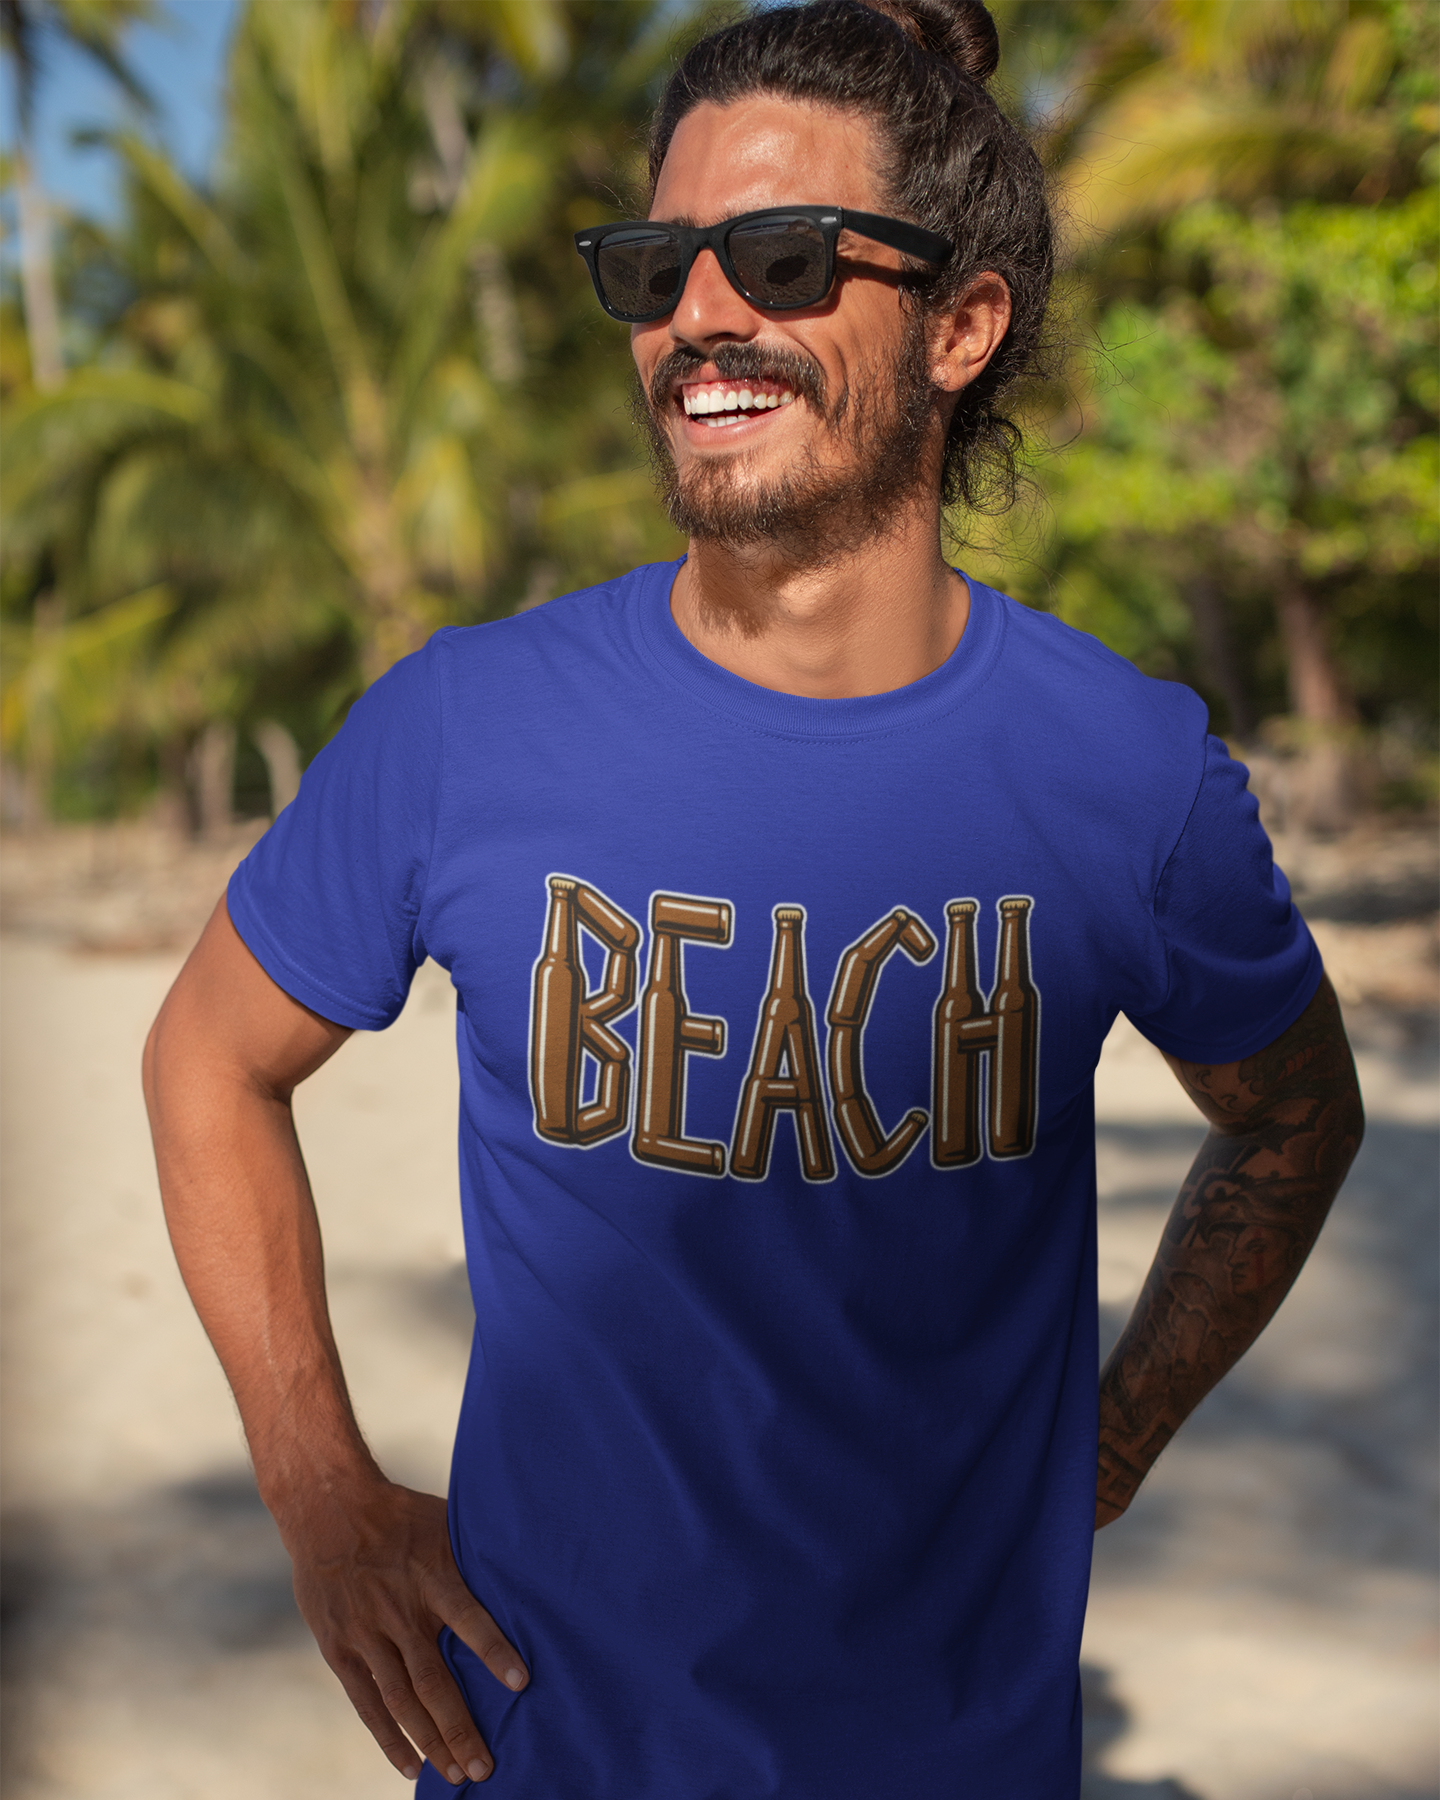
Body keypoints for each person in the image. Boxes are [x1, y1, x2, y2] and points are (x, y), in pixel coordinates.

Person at [142, 1, 1364, 1794]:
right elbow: (205, 1064)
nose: (705, 314)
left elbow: (1294, 1121)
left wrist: (1105, 1447)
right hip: (542, 1757)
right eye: (659, 267)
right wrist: (320, 1490)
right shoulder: (462, 727)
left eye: (785, 259)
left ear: (960, 326)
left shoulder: (1129, 774)